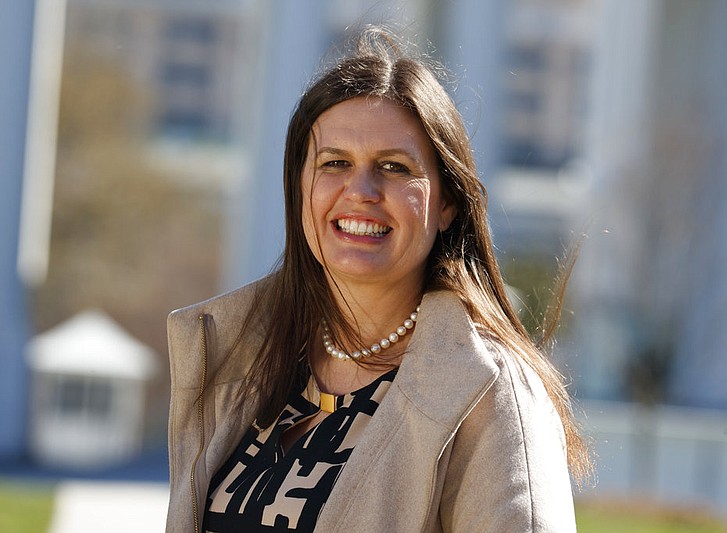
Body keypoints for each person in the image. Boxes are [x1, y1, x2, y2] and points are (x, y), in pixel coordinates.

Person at [166, 26, 591, 533]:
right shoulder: (246, 357)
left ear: (448, 204)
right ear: (300, 191)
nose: (361, 190)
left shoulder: (490, 393)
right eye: (335, 163)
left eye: (393, 167)